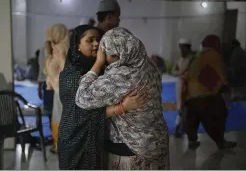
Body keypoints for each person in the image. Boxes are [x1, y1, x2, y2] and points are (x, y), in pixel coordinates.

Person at [75, 27, 170, 170]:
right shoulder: (151, 66)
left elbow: (82, 98)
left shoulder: (120, 76)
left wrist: (98, 64)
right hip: (159, 142)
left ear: (113, 53)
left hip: (132, 149)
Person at [58, 25, 148, 169]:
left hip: (96, 140)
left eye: (98, 40)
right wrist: (121, 108)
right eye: (90, 40)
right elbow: (80, 114)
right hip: (76, 142)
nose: (96, 44)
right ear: (77, 46)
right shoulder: (72, 76)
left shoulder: (102, 71)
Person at [183, 34, 237, 150]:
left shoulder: (196, 57)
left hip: (191, 96)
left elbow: (188, 76)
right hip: (206, 96)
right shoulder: (213, 56)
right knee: (216, 117)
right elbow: (220, 77)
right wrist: (224, 89)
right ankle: (221, 142)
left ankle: (192, 140)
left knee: (193, 119)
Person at [44, 24, 69, 154]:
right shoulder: (58, 47)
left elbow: (64, 69)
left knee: (60, 118)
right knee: (58, 117)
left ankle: (62, 147)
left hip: (62, 90)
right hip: (59, 89)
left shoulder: (61, 48)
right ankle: (60, 146)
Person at [172, 38, 194, 137]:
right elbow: (174, 71)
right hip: (180, 86)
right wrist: (179, 73)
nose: (180, 51)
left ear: (187, 48)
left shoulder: (192, 60)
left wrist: (180, 73)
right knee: (181, 108)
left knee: (187, 108)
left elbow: (184, 73)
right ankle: (180, 127)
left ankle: (181, 128)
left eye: (182, 48)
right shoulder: (181, 59)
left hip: (188, 87)